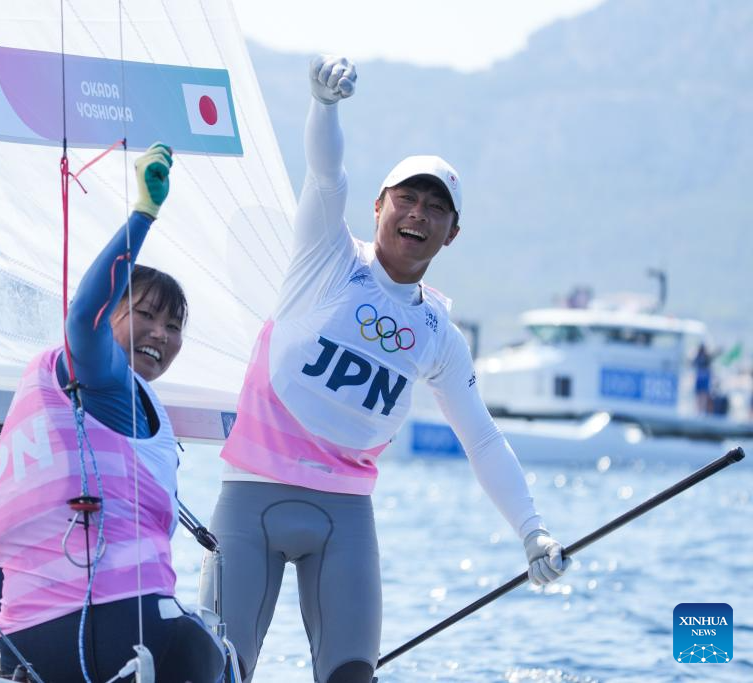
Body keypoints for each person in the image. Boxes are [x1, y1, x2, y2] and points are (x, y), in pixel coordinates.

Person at [200, 56, 566, 683]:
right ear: (378, 207)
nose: (418, 214)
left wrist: (532, 533)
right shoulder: (327, 257)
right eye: (407, 199)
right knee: (217, 672)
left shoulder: (440, 336)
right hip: (251, 500)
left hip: (343, 518)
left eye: (435, 208)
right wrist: (324, 105)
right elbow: (326, 174)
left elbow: (482, 439)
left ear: (452, 234)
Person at [0, 143, 225, 683]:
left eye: (174, 326)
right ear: (111, 314)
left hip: (22, 649)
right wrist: (144, 214)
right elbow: (82, 318)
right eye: (145, 315)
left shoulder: (48, 392)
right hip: (120, 632)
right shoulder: (104, 376)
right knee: (215, 648)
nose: (161, 334)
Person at [693, 342, 714, 414]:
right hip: (700, 379)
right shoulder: (698, 358)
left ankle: (701, 409)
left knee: (703, 395)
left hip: (703, 379)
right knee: (700, 395)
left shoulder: (706, 358)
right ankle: (699, 409)